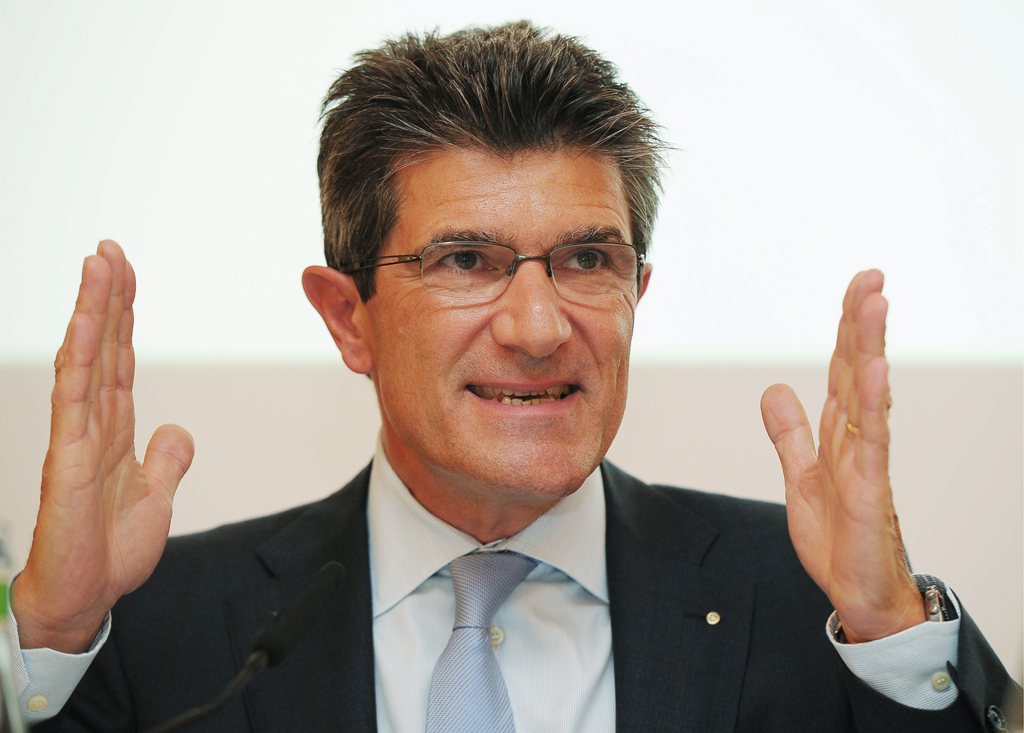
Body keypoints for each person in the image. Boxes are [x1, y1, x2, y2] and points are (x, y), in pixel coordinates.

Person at [6, 20, 1020, 733]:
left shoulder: (812, 602)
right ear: (349, 317)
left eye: (587, 259)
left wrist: (890, 631)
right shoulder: (157, 625)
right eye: (465, 260)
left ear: (637, 291)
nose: (540, 328)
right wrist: (48, 634)